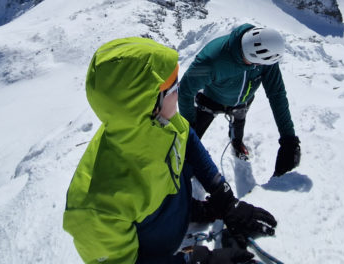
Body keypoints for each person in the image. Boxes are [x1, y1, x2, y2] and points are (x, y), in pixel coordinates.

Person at [63, 37, 277, 264]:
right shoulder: (95, 207)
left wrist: (223, 197)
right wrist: (195, 260)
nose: (180, 92)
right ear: (147, 103)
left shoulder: (160, 121)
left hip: (173, 219)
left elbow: (189, 141)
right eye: (173, 88)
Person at [178, 25, 301, 177]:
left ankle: (236, 143)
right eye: (257, 65)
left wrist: (289, 139)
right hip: (210, 100)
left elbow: (277, 94)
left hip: (242, 102)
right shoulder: (212, 59)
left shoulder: (265, 55)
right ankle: (187, 162)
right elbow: (185, 89)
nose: (260, 67)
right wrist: (189, 123)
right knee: (192, 138)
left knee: (239, 125)